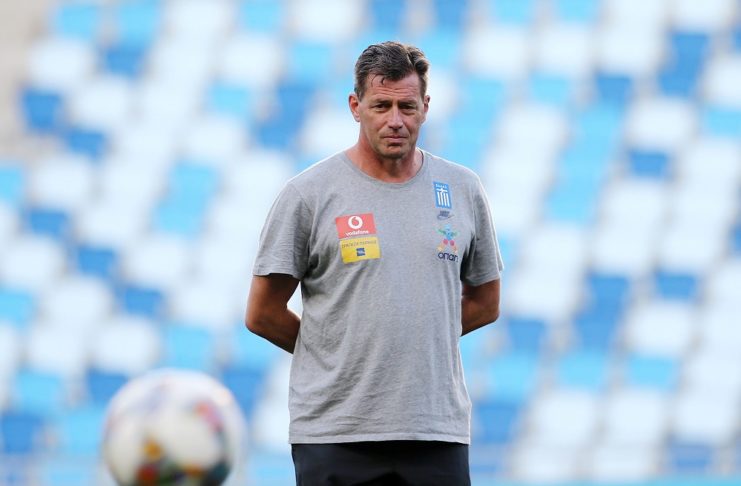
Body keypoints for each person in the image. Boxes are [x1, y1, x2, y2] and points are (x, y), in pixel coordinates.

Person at [246, 41, 503, 485]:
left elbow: (486, 301)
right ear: (356, 106)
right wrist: (339, 352)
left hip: (434, 431)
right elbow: (262, 313)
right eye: (381, 105)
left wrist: (416, 341)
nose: (395, 120)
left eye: (407, 106)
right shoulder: (309, 194)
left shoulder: (463, 189)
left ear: (425, 107)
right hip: (335, 433)